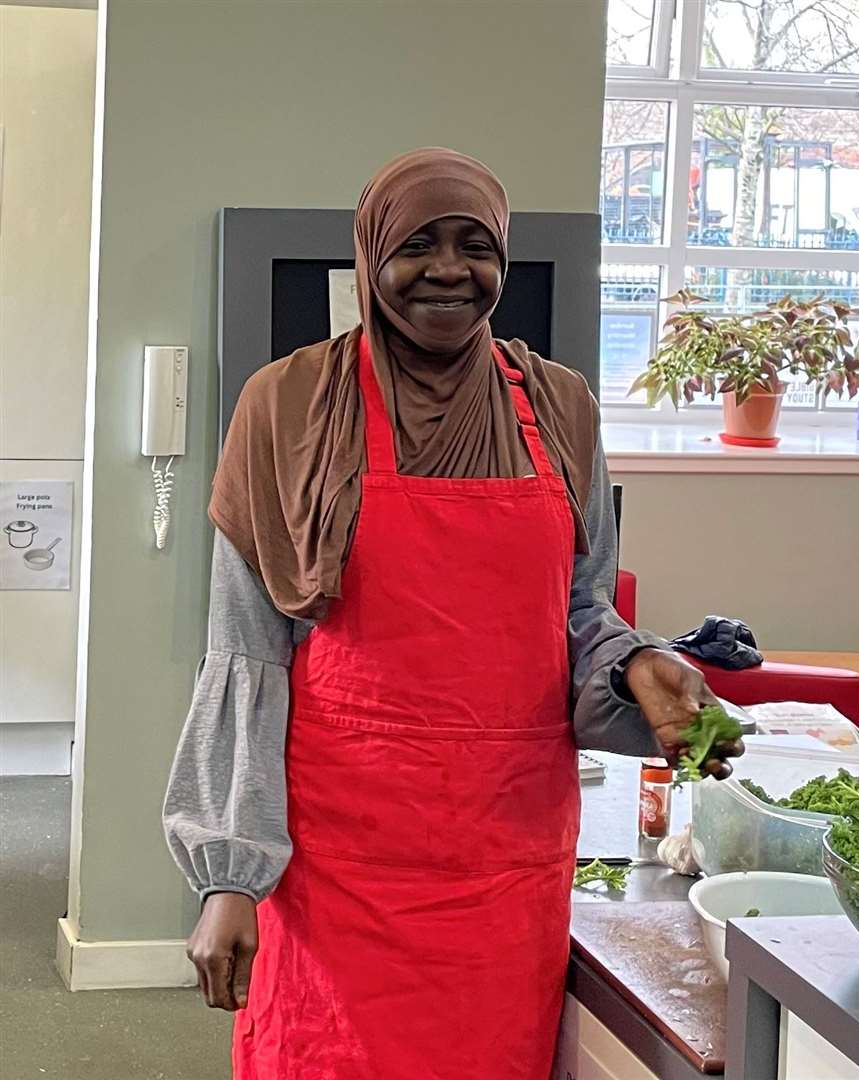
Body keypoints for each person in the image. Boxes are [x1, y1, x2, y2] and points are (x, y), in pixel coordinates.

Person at [163, 148, 740, 1079]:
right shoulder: (290, 405)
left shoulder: (560, 408)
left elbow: (579, 609)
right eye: (417, 244)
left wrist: (636, 662)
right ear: (369, 254)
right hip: (341, 858)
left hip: (505, 858)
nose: (448, 269)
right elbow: (246, 652)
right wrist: (231, 873)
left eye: (476, 246)